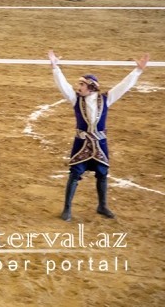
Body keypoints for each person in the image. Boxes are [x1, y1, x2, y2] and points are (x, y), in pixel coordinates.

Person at [48, 50, 149, 222]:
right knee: (75, 174)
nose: (78, 87)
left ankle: (102, 206)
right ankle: (67, 208)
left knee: (102, 173)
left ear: (91, 87)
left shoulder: (106, 99)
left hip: (99, 143)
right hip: (81, 143)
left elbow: (123, 86)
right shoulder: (76, 99)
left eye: (81, 84)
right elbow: (63, 85)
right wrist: (55, 68)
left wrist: (138, 71)